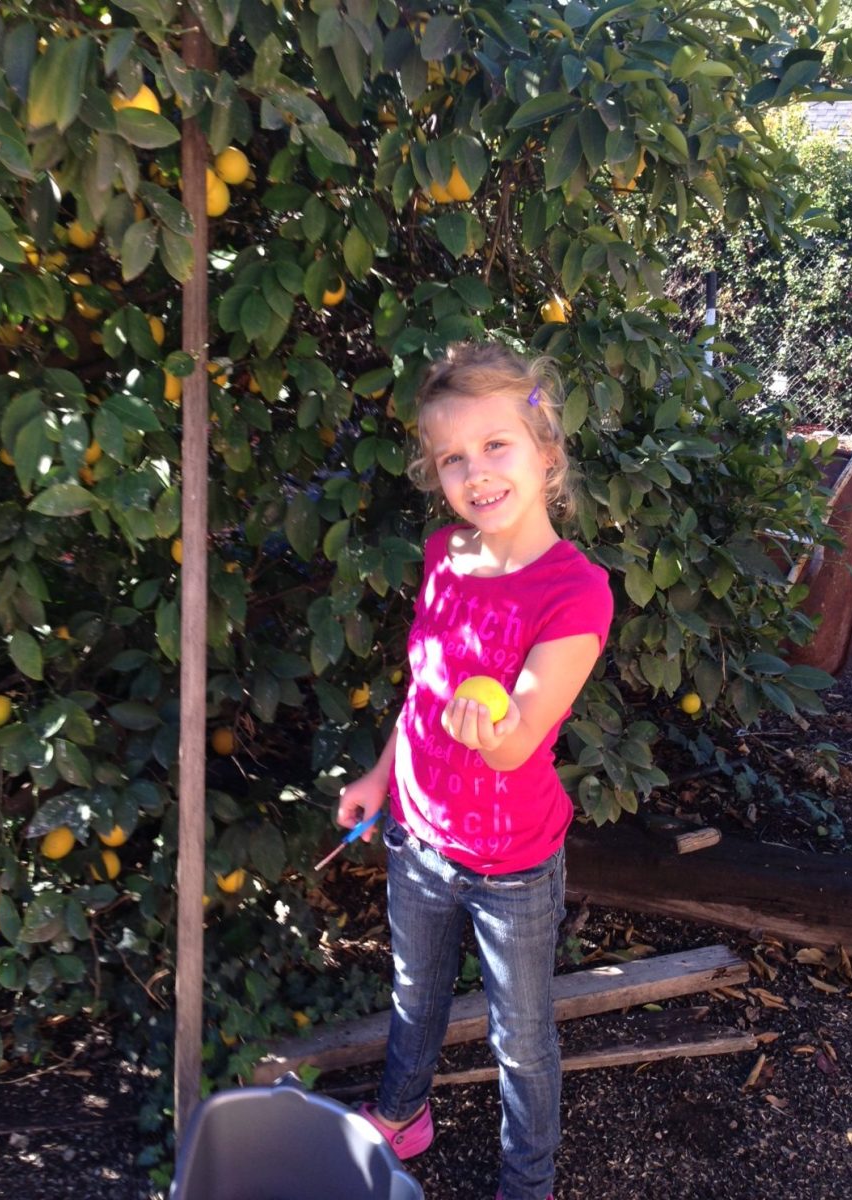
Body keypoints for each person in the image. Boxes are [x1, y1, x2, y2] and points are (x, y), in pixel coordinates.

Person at [336, 341, 614, 1200]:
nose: (476, 471)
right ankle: (402, 1113)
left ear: (547, 452)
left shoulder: (577, 591)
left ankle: (527, 1180)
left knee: (521, 1038)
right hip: (418, 839)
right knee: (414, 994)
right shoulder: (442, 557)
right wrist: (382, 778)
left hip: (514, 863)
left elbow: (520, 738)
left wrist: (485, 730)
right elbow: (421, 692)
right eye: (453, 457)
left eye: (497, 445)